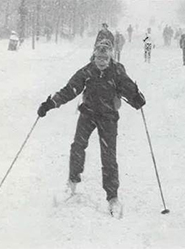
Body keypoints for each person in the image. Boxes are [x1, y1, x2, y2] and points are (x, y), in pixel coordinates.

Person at [37, 39, 146, 218]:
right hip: (88, 114)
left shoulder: (117, 71)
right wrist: (50, 104)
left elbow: (129, 90)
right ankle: (71, 183)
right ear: (94, 55)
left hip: (108, 117)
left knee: (108, 155)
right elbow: (70, 90)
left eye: (105, 56)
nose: (101, 60)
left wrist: (137, 98)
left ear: (110, 56)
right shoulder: (87, 71)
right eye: (98, 56)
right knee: (77, 147)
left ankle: (113, 198)